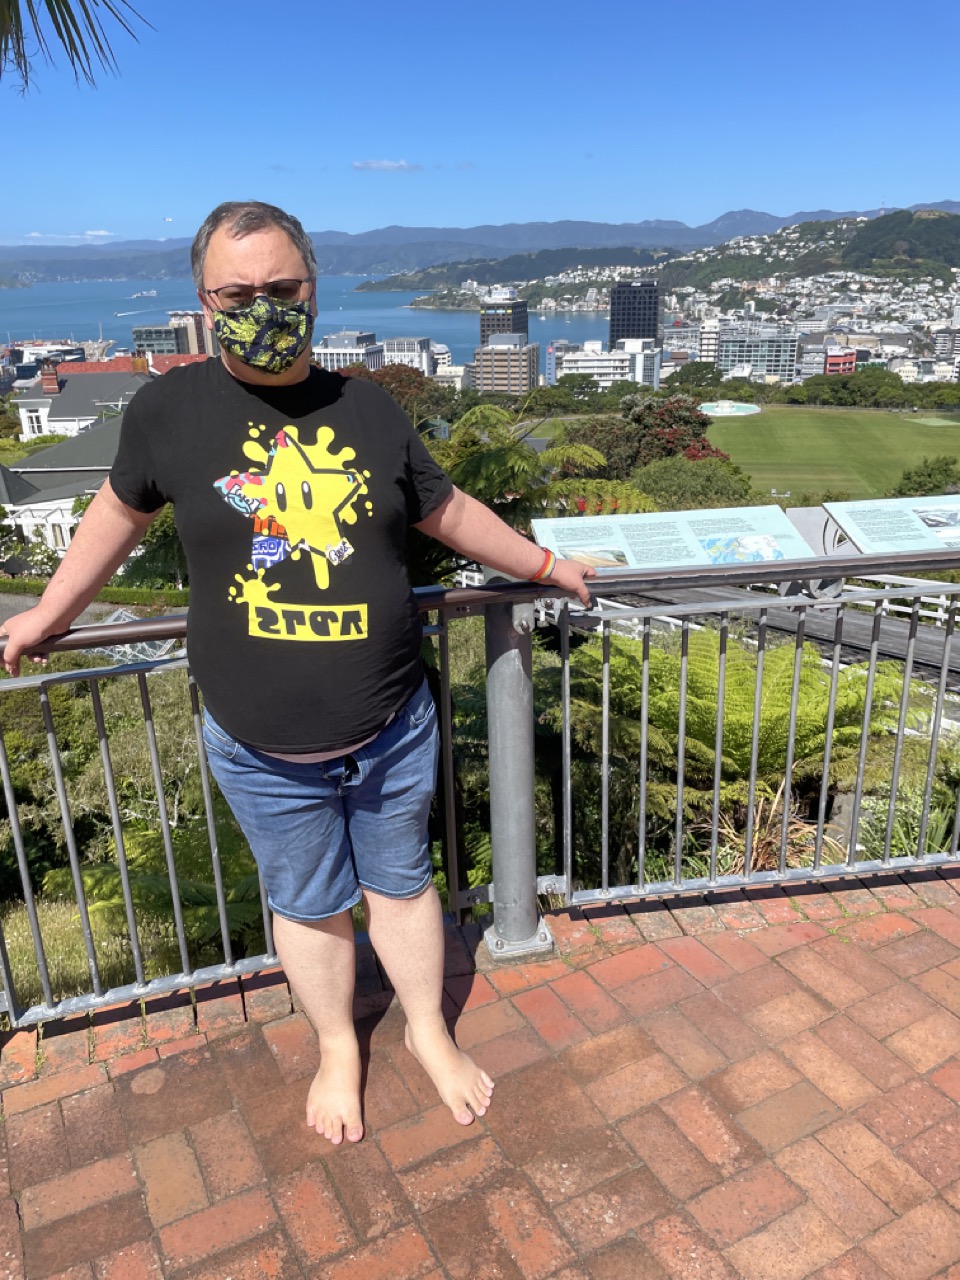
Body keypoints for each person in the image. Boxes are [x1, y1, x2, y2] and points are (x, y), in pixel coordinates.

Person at [0, 201, 593, 1145]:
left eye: (281, 289)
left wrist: (545, 565)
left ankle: (429, 1033)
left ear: (313, 287)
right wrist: (45, 615)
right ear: (204, 302)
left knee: (404, 885)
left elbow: (448, 511)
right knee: (309, 905)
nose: (262, 309)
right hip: (259, 744)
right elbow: (112, 520)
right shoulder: (167, 411)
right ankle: (337, 1046)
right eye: (237, 295)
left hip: (393, 726)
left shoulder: (369, 408)